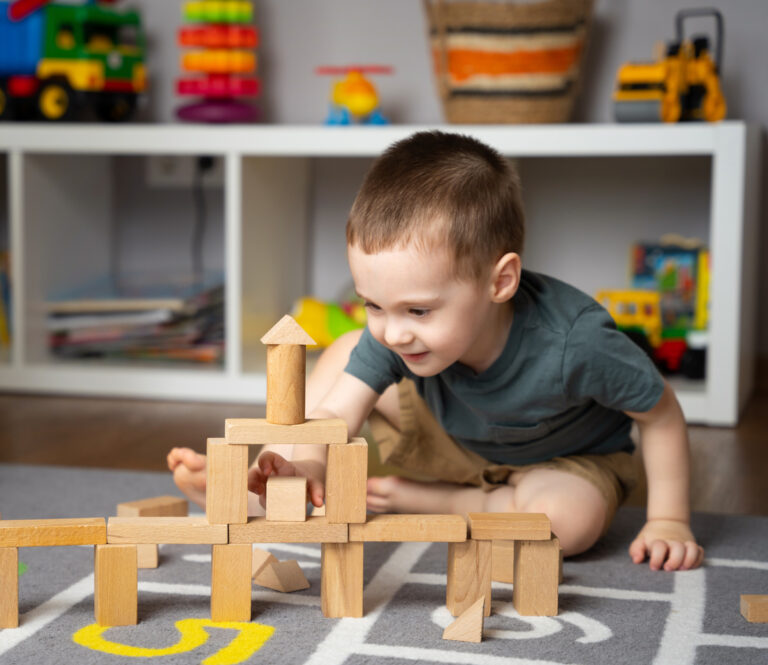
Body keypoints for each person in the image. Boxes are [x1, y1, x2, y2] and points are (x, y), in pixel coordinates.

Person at [168, 130, 703, 572]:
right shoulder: (394, 336)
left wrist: (669, 520)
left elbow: (660, 414)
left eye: (418, 311)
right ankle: (269, 491)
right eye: (373, 303)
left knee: (561, 525)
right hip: (452, 439)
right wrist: (305, 462)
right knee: (347, 351)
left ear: (501, 281)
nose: (393, 331)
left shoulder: (577, 343)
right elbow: (336, 413)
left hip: (562, 461)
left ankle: (439, 502)